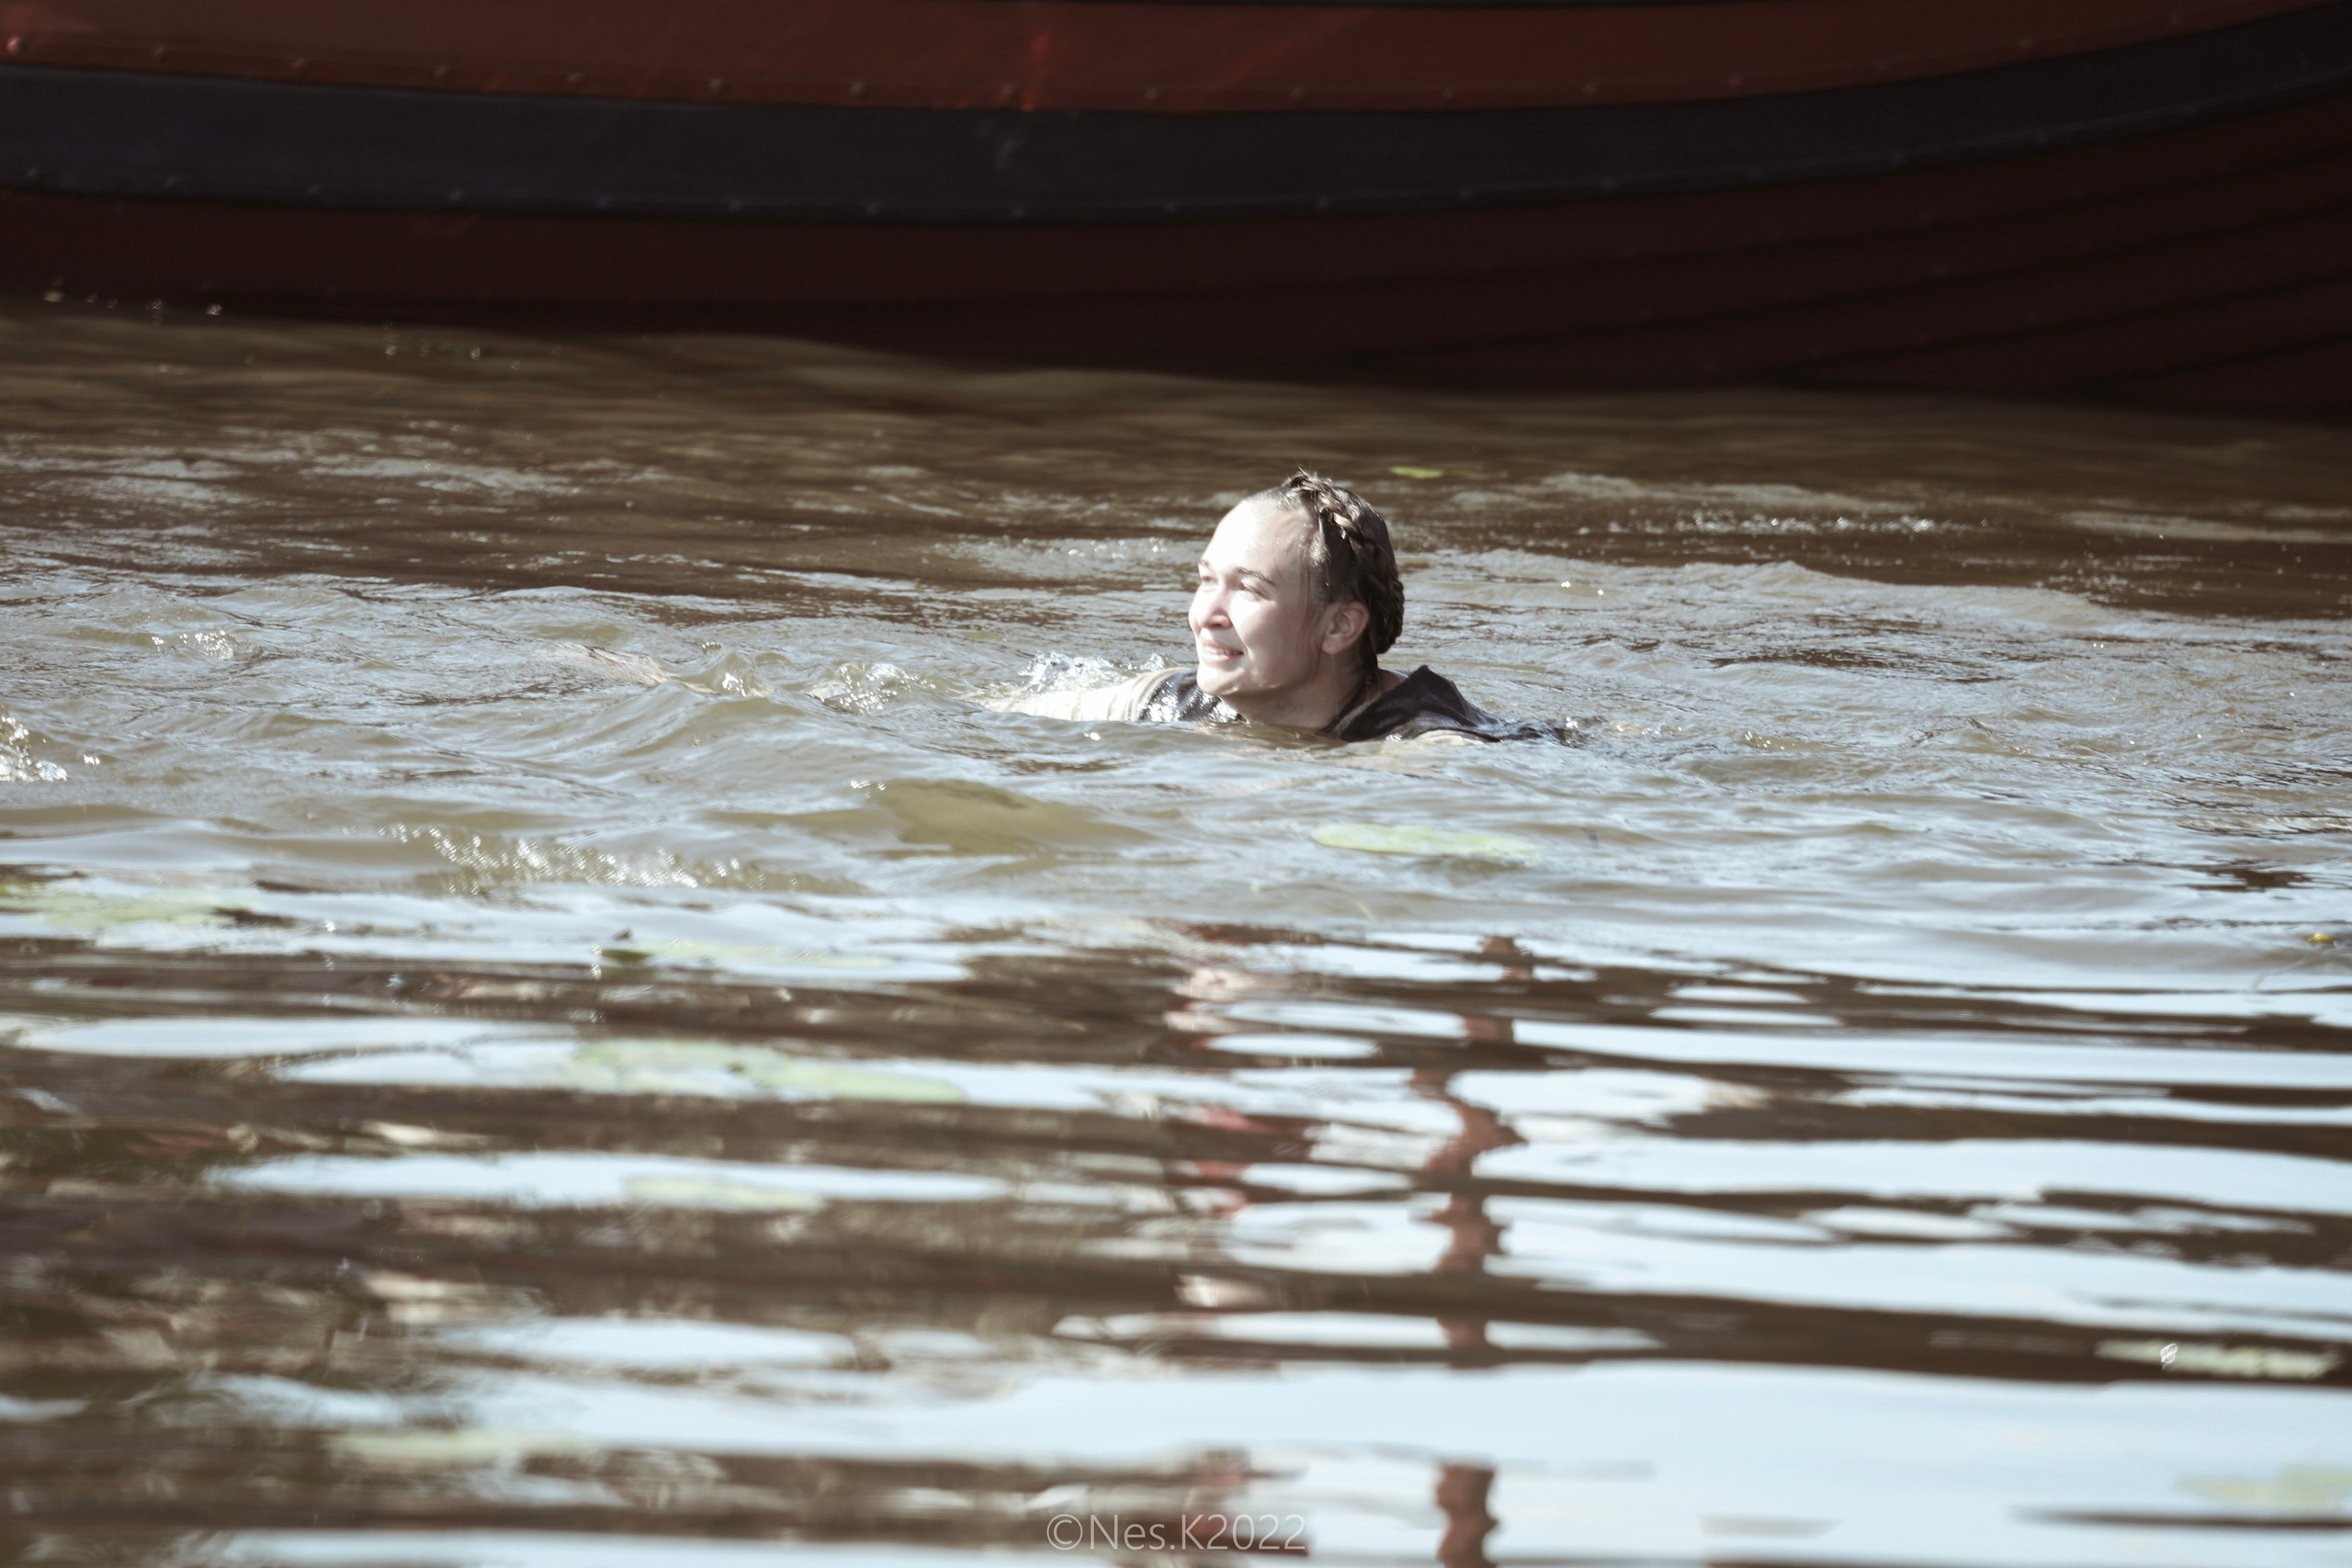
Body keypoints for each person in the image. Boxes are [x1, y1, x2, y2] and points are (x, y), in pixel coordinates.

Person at [995, 471, 1562, 743]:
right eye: (1205, 581)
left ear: (1339, 626)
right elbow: (979, 716)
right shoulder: (1170, 700)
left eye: (1249, 589)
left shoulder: (1427, 747)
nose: (1206, 614)